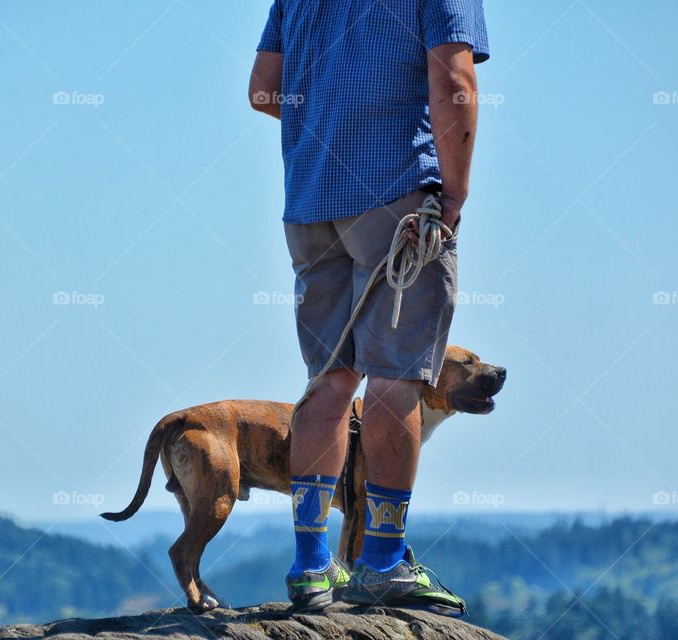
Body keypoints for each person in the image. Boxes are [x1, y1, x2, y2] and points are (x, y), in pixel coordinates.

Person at [249, 0, 489, 615]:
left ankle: (310, 568)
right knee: (395, 378)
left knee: (328, 381)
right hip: (399, 192)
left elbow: (263, 91)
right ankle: (381, 562)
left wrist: (330, 127)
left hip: (308, 200)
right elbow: (453, 81)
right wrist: (453, 193)